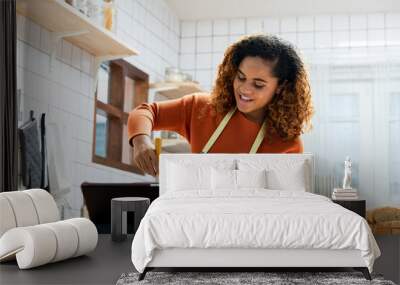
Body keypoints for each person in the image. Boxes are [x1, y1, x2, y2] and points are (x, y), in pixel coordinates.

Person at [127, 34, 314, 177]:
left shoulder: (287, 144)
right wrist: (141, 141)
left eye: (258, 84)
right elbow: (146, 112)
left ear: (281, 87)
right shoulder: (201, 108)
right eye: (240, 77)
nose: (244, 89)